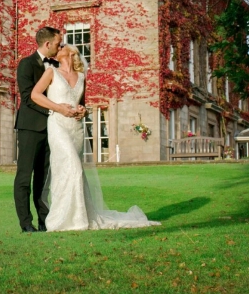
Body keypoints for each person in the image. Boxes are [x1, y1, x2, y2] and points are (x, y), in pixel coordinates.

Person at [32, 43, 160, 231]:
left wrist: (82, 111)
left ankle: (79, 216)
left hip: (75, 127)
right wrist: (58, 107)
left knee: (72, 171)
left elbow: (79, 103)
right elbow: (35, 95)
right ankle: (62, 218)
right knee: (71, 166)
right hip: (58, 124)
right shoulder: (51, 72)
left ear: (71, 53)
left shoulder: (82, 77)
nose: (57, 48)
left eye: (62, 46)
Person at [13, 27, 83, 233]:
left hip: (55, 129)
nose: (60, 46)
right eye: (58, 43)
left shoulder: (56, 66)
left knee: (44, 179)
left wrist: (74, 110)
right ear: (47, 44)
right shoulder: (26, 64)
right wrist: (57, 111)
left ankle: (46, 221)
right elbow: (28, 98)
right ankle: (26, 223)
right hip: (31, 127)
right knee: (25, 176)